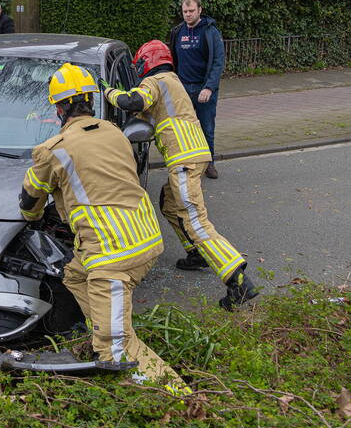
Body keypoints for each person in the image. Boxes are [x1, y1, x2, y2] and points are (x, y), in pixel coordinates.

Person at [19, 63, 192, 402]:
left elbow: (29, 201)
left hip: (111, 255)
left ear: (58, 108)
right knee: (73, 274)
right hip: (145, 237)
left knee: (115, 349)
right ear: (90, 101)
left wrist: (34, 215)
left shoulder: (52, 149)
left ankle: (182, 399)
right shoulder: (114, 132)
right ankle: (103, 323)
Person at [102, 40, 259, 311]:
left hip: (184, 160)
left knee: (195, 220)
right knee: (170, 205)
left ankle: (239, 281)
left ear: (148, 62)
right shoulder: (171, 81)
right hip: (194, 156)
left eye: (140, 64)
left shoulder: (156, 80)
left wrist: (108, 92)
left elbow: (132, 101)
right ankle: (196, 253)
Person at [168, 0, 224, 179]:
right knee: (183, 128)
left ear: (200, 10)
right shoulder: (177, 32)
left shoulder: (210, 32)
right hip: (182, 88)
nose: (188, 14)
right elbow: (172, 59)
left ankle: (209, 164)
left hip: (204, 89)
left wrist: (209, 87)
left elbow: (218, 61)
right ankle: (187, 163)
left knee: (206, 127)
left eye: (192, 11)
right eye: (185, 11)